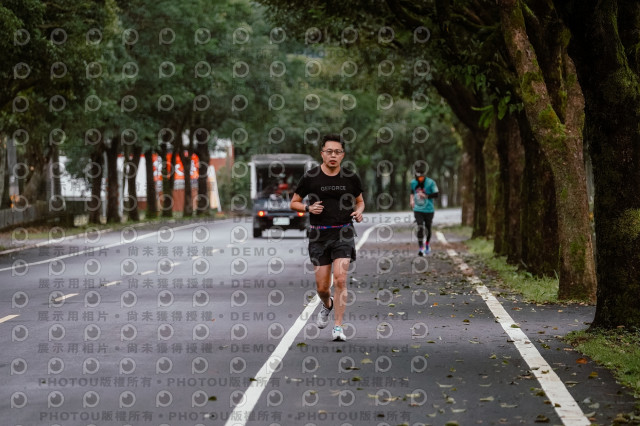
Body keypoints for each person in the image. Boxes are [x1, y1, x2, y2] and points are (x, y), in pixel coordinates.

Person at [290, 134, 364, 341]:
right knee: (322, 288)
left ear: (343, 155)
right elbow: (294, 202)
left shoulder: (350, 177)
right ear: (322, 153)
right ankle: (327, 303)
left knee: (340, 279)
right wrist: (308, 208)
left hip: (343, 232)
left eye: (337, 152)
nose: (333, 155)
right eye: (329, 151)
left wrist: (359, 212)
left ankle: (338, 327)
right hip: (318, 235)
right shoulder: (310, 177)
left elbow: (360, 201)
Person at [410, 167, 438, 256]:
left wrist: (425, 196)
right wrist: (411, 200)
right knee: (420, 227)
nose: (420, 179)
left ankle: (427, 244)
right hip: (418, 209)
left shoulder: (431, 182)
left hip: (429, 209)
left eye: (421, 177)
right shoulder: (413, 183)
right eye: (418, 178)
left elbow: (436, 194)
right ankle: (421, 248)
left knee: (428, 227)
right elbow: (412, 192)